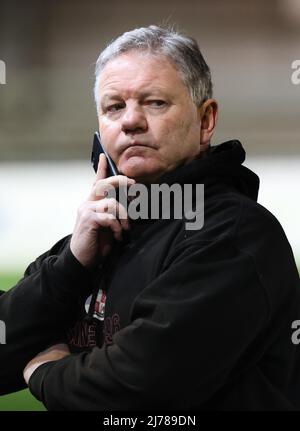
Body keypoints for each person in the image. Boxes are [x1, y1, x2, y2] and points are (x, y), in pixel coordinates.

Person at [1, 25, 300, 410]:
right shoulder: (98, 237)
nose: (131, 121)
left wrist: (45, 374)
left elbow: (142, 384)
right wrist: (70, 266)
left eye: (155, 102)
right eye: (114, 107)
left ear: (206, 120)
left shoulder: (235, 235)